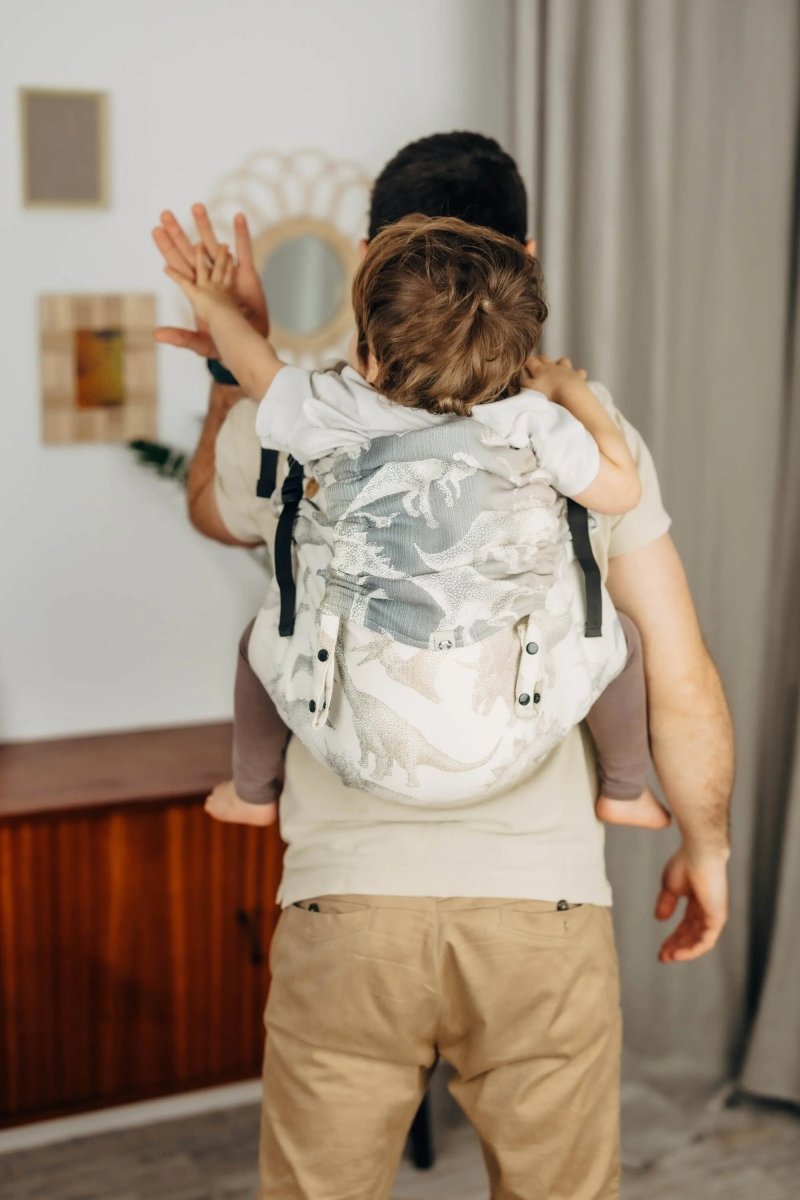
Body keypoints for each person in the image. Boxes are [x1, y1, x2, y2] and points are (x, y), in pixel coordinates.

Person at [153, 132, 734, 1200]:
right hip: (540, 908)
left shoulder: (307, 414)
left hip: (346, 905)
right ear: (524, 264)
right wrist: (705, 846)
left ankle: (250, 790)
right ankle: (623, 793)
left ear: (369, 264)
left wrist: (230, 355)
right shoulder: (564, 434)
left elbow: (210, 511)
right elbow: (680, 672)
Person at [165, 213, 668, 828]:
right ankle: (625, 789)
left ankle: (252, 794)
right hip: (510, 741)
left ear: (370, 359)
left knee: (257, 643)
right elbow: (620, 490)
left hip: (351, 746)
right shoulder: (532, 421)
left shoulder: (333, 411)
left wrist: (216, 305)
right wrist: (569, 390)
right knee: (623, 641)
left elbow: (251, 363)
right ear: (517, 356)